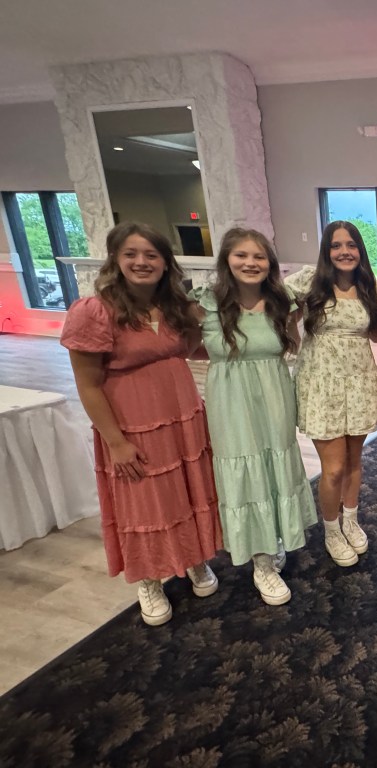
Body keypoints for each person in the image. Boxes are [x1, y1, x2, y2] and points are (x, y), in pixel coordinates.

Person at [61, 222, 222, 626]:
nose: (141, 262)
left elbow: (191, 350)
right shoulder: (95, 311)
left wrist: (208, 322)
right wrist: (115, 442)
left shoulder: (174, 306)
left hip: (182, 416)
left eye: (151, 255)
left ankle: (194, 558)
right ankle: (149, 578)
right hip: (134, 424)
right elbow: (88, 384)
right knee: (145, 502)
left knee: (189, 490)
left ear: (166, 263)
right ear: (115, 259)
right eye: (131, 254)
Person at [191, 228, 318, 605]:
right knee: (245, 472)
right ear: (226, 260)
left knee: (274, 468)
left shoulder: (282, 302)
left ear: (270, 263)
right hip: (231, 400)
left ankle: (271, 539)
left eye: (259, 256)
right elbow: (185, 347)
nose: (250, 263)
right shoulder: (206, 304)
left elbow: (293, 341)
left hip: (274, 396)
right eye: (241, 255)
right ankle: (261, 564)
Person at [285, 221, 377, 568]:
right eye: (336, 245)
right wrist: (290, 333)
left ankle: (351, 520)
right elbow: (275, 304)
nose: (345, 251)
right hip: (321, 383)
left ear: (360, 250)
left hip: (359, 381)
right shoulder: (310, 281)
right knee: (333, 468)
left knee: (355, 461)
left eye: (351, 245)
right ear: (327, 251)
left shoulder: (369, 286)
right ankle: (331, 530)